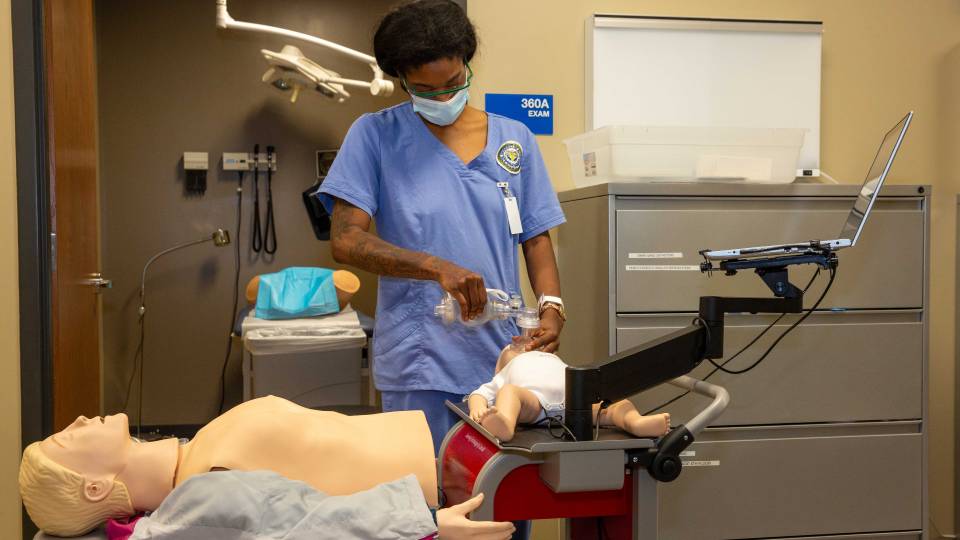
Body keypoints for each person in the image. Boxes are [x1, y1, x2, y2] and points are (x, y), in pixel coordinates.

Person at [318, 0, 567, 455]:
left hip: (505, 358)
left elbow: (536, 237)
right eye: (425, 90)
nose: (442, 97)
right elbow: (346, 239)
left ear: (467, 65)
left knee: (504, 503)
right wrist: (435, 268)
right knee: (428, 506)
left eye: (452, 83)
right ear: (402, 82)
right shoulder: (375, 136)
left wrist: (551, 306)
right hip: (421, 363)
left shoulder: (515, 140)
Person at [19, 396, 515, 539]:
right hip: (454, 498)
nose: (80, 418)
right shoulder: (204, 492)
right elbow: (312, 526)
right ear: (94, 488)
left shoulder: (198, 460)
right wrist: (425, 523)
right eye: (68, 436)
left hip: (455, 460)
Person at [467, 345, 672, 442]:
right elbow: (479, 394)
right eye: (515, 348)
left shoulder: (553, 360)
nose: (526, 345)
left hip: (576, 404)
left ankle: (635, 422)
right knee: (509, 393)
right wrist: (478, 410)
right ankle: (503, 423)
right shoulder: (505, 372)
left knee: (613, 403)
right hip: (535, 403)